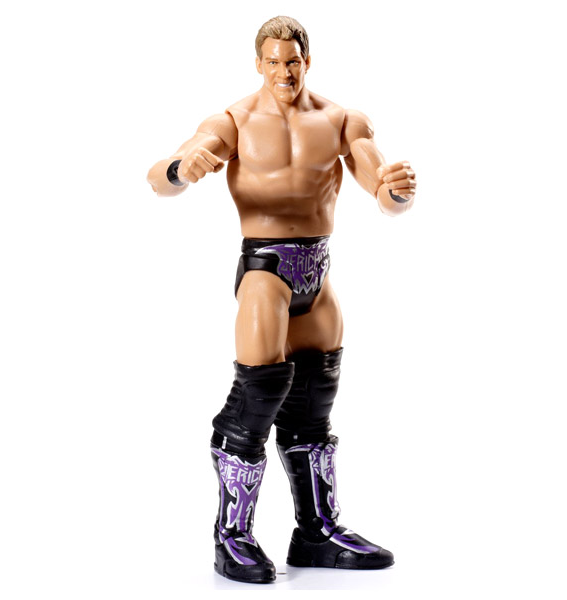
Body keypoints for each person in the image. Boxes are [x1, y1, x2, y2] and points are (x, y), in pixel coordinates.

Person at [147, 15, 416, 584]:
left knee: (315, 402)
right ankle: (232, 536)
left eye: (291, 61)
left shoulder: (342, 120)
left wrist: (396, 192)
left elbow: (381, 190)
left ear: (306, 62)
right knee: (257, 396)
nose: (283, 72)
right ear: (258, 64)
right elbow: (160, 178)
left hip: (318, 273)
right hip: (266, 272)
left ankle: (316, 532)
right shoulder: (234, 122)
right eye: (272, 62)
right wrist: (180, 168)